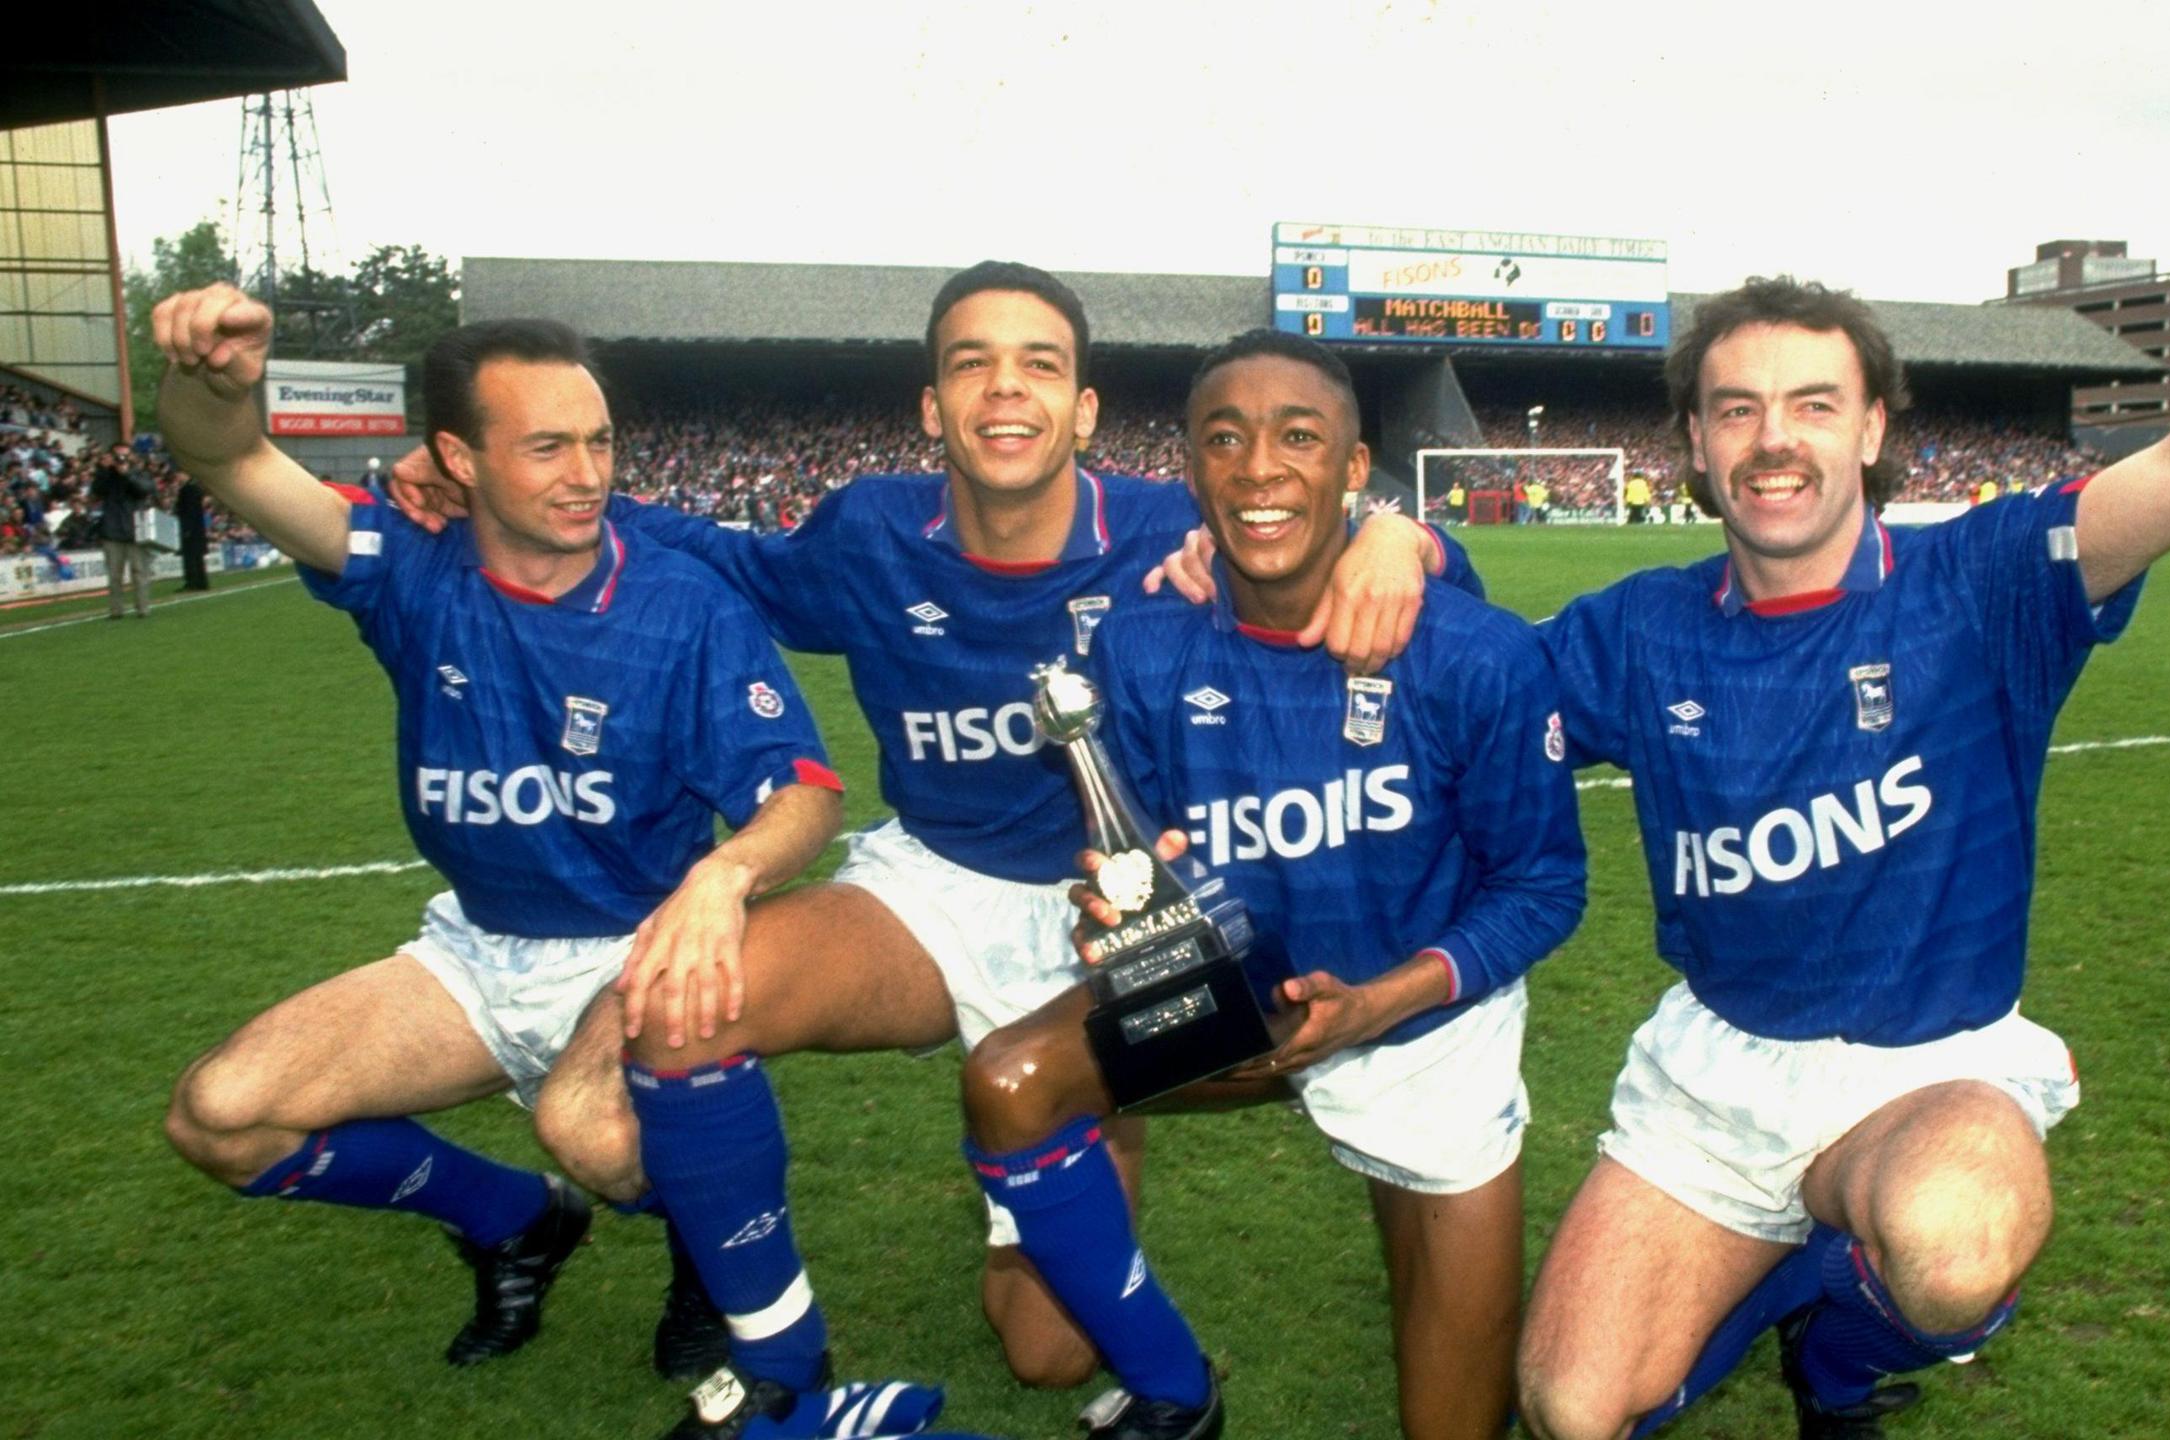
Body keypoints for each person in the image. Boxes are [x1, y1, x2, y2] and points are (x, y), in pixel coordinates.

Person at [1515, 12, 2170, 1438]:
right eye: (1734, 410)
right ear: (1695, 443)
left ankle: (1838, 1357)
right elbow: (1455, 699)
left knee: (1957, 1236)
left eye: (1811, 402)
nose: (1771, 437)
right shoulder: (1629, 632)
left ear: (1870, 428)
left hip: (1935, 1071)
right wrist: (1384, 557)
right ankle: (1793, 1284)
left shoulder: (1984, 583)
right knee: (1571, 1410)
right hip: (1720, 1072)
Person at [388, 261, 1456, 1439]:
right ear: (931, 407)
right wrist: (468, 489)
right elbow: (718, 554)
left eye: (1040, 364)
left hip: (1109, 926)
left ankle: (1165, 1371)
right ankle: (783, 1373)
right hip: (929, 886)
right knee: (684, 1006)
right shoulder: (869, 532)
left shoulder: (1172, 524)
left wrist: (1402, 540)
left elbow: (1384, 572)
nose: (1006, 389)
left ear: (1084, 410)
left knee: (1049, 1351)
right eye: (971, 364)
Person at [149, 285, 850, 1385]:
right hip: (475, 953)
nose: (587, 473)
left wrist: (725, 875)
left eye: (599, 441)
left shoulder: (681, 605)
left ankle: (710, 1258)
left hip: (634, 953)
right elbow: (233, 463)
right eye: (545, 447)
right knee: (219, 1116)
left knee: (597, 1132)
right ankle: (516, 1221)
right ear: (458, 460)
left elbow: (803, 792)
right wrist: (210, 385)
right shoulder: (411, 566)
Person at [958, 329, 1585, 1440]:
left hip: (1420, 1031)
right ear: (1191, 470)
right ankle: (1175, 1391)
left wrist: (1386, 1001)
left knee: (1457, 1428)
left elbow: (1542, 888)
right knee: (1011, 1081)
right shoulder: (1143, 650)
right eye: (1224, 439)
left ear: (1355, 471)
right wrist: (1118, 910)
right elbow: (1136, 858)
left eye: (1299, 438)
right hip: (1236, 1000)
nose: (1258, 469)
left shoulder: (1475, 655)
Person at [89, 443, 154, 617]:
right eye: (117, 455)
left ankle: (143, 608)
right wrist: (104, 469)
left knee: (139, 572)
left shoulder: (139, 473)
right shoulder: (106, 475)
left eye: (124, 455)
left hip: (136, 529)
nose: (121, 459)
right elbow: (96, 491)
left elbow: (145, 490)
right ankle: (116, 610)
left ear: (131, 456)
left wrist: (127, 474)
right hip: (112, 530)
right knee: (114, 575)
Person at [176, 473, 211, 590]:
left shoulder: (188, 490)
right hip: (197, 529)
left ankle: (192, 582)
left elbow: (189, 511)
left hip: (191, 529)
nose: (178, 477)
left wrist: (187, 529)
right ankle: (201, 582)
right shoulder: (194, 488)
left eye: (179, 474)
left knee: (190, 557)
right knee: (198, 558)